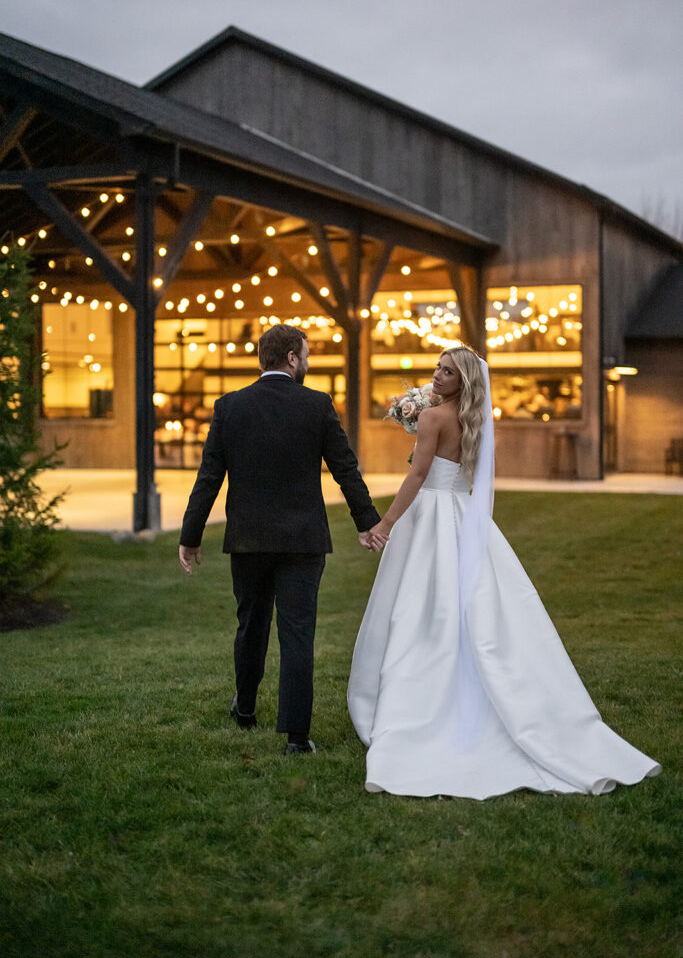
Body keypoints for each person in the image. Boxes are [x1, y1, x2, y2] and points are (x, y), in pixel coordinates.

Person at [348, 346, 661, 799]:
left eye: (447, 372)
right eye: (438, 367)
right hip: (460, 512)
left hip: (430, 514)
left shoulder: (434, 420)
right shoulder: (473, 421)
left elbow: (417, 477)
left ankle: (417, 696)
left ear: (463, 381)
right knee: (468, 599)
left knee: (418, 603)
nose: (437, 376)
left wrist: (386, 523)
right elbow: (466, 476)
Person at [179, 324, 384, 755]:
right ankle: (295, 737)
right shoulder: (317, 405)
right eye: (305, 355)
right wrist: (366, 522)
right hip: (303, 540)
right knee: (297, 633)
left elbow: (209, 476)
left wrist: (190, 535)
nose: (307, 363)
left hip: (248, 539)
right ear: (292, 357)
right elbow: (345, 469)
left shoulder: (229, 407)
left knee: (251, 624)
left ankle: (247, 708)